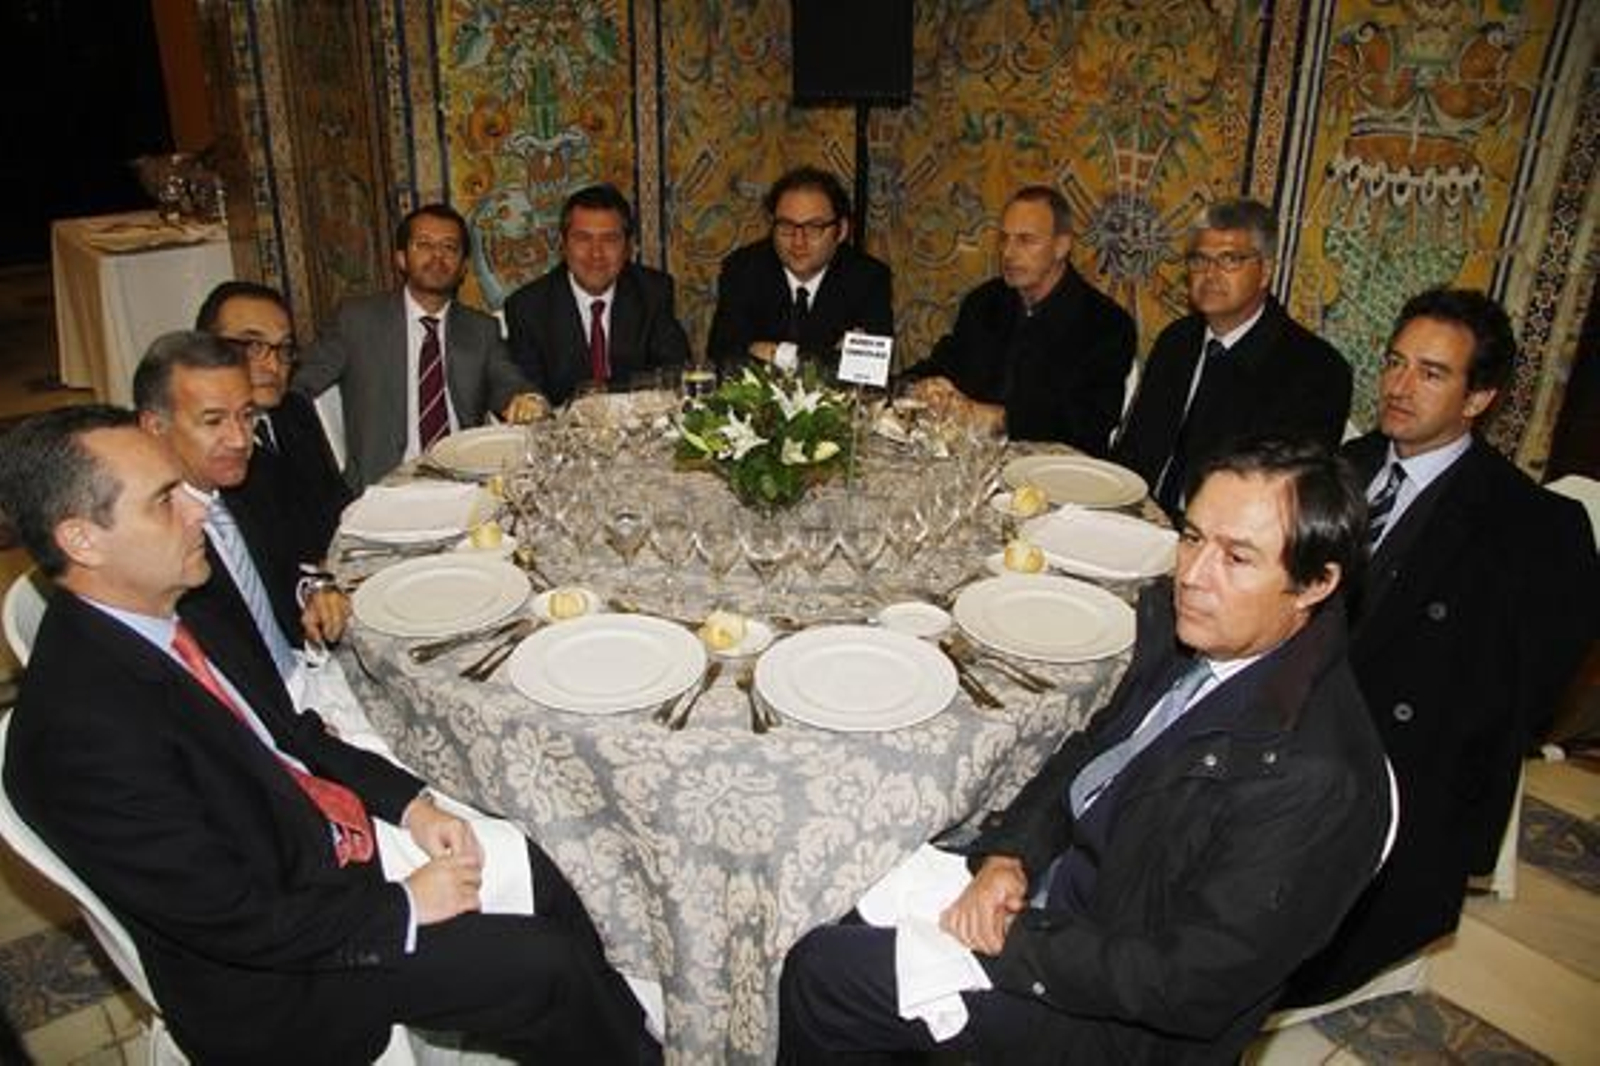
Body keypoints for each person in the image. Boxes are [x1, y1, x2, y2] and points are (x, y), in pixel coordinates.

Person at [0, 406, 653, 1064]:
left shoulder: (172, 603)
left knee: (527, 856)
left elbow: (292, 733)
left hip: (320, 845)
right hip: (281, 972)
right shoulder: (77, 737)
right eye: (165, 501)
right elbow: (235, 919)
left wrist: (410, 806)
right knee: (541, 967)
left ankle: (625, 1039)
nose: (199, 510)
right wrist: (401, 908)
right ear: (83, 541)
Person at [779, 437, 1391, 1064]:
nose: (1192, 576)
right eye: (1191, 537)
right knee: (835, 878)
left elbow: (1189, 984)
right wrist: (1009, 856)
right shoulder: (1205, 640)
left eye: (1236, 558)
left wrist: (1013, 937)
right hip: (1064, 901)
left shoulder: (1315, 779)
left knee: (825, 976)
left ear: (1315, 584)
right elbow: (1088, 759)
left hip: (1116, 1020)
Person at [1283, 288, 1600, 1005]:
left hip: (1391, 769)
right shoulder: (1347, 463)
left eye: (1431, 372)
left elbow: (1518, 701)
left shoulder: (1533, 529)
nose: (1397, 387)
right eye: (1396, 363)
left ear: (1479, 396)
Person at [1113, 198, 1352, 516]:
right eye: (1199, 260)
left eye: (1229, 260)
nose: (1210, 274)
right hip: (1136, 518)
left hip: (1226, 541)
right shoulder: (1177, 340)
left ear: (1265, 271)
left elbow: (1285, 499)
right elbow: (1133, 450)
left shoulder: (1316, 371)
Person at [133, 331, 341, 682]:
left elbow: (291, 562)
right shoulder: (150, 540)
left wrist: (315, 591)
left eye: (246, 415)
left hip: (305, 671)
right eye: (213, 421)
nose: (240, 439)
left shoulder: (250, 479)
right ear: (155, 427)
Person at [293, 203, 544, 492]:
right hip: (383, 488)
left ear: (463, 266)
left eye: (450, 247)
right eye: (424, 245)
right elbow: (300, 388)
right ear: (401, 258)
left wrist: (524, 399)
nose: (438, 256)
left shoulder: (481, 329)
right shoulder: (357, 321)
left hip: (463, 482)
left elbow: (507, 380)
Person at [901, 186, 1135, 452]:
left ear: (1062, 246)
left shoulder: (1106, 324)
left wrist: (1000, 418)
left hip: (1057, 475)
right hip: (972, 461)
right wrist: (921, 386)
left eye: (1025, 240)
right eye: (1004, 239)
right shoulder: (984, 301)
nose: (1008, 253)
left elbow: (1089, 421)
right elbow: (947, 362)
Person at [196, 280, 351, 563]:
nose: (274, 365)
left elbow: (336, 502)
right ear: (207, 349)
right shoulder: (206, 449)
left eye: (284, 348)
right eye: (253, 346)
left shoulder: (294, 410)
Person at [504, 183, 691, 407]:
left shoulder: (652, 291)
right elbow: (531, 396)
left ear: (628, 246)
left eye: (610, 239)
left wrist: (610, 399)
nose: (596, 254)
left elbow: (674, 373)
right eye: (583, 238)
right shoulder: (527, 307)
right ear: (563, 245)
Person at [706, 165, 893, 374]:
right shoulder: (743, 269)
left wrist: (776, 354)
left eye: (814, 228)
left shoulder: (867, 278)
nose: (798, 241)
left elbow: (868, 370)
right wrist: (829, 358)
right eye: (786, 226)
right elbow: (724, 358)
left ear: (841, 231)